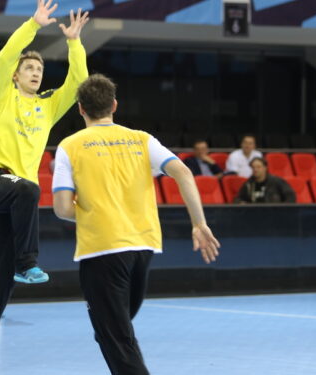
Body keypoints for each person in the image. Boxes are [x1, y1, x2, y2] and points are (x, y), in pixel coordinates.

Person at [51, 74, 220, 375]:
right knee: (116, 331)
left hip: (102, 249)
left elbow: (63, 208)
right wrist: (198, 223)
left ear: (80, 109)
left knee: (114, 336)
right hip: (143, 247)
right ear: (114, 105)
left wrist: (94, 214)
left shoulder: (69, 146)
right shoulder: (142, 139)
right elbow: (183, 172)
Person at [0, 1, 90, 373]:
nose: (35, 72)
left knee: (2, 275)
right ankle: (28, 262)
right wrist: (33, 25)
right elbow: (5, 56)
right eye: (29, 68)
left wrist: (74, 43)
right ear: (17, 76)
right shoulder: (3, 97)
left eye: (39, 68)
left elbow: (78, 84)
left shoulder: (49, 107)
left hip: (17, 196)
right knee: (32, 190)